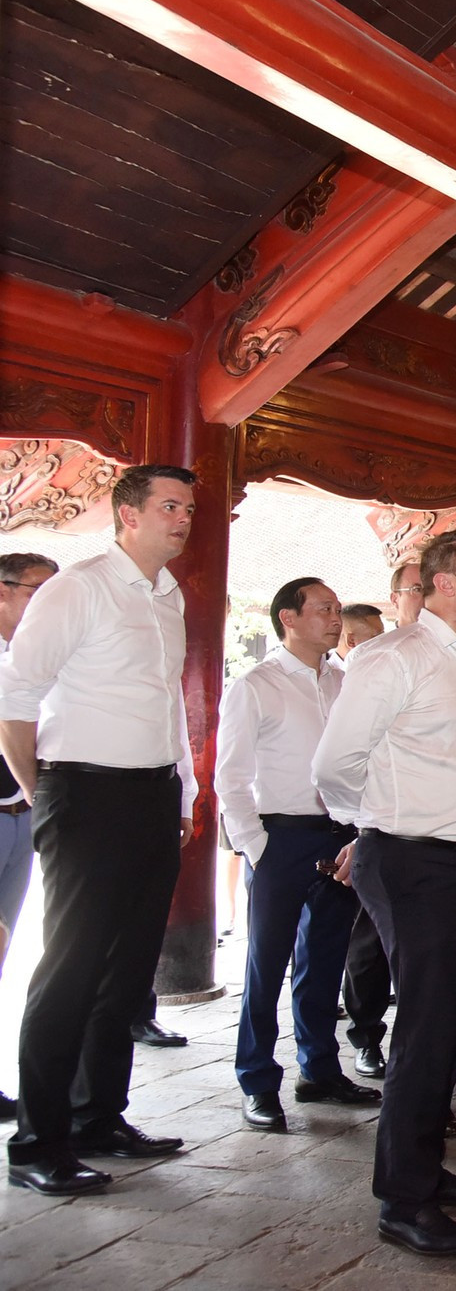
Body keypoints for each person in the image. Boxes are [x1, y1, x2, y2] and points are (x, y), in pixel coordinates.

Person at [312, 526, 456, 1257]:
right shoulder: (390, 657)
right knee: (427, 1029)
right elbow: (336, 762)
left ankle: (424, 1168)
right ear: (444, 583)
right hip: (413, 861)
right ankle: (403, 1200)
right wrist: (371, 827)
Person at [0, 466, 200, 1196]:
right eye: (169, 506)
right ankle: (36, 1142)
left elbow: (168, 706)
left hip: (151, 796)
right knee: (71, 970)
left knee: (126, 972)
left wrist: (181, 792)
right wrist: (44, 792)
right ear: (127, 514)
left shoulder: (168, 599)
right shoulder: (77, 587)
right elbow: (15, 699)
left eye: (188, 508)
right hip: (82, 792)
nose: (182, 518)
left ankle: (98, 1116)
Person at [219, 577, 380, 1134]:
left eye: (338, 609)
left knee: (324, 961)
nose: (335, 618)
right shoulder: (256, 685)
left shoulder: (346, 681)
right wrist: (258, 849)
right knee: (266, 966)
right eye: (324, 609)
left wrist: (358, 833)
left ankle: (319, 1070)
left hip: (338, 836)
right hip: (278, 837)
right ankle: (258, 1081)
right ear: (288, 617)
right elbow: (231, 777)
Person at [341, 565, 423, 1081]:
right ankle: (366, 1036)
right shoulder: (381, 660)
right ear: (397, 598)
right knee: (370, 945)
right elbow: (343, 759)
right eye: (416, 588)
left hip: (442, 835)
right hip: (382, 829)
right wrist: (360, 828)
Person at [0, 552, 58, 1124]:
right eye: (37, 590)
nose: (49, 601)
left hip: (21, 815)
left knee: (6, 943)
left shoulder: (43, 659)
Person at [334, 604, 385, 670]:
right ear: (351, 640)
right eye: (376, 638)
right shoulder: (325, 677)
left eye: (383, 636)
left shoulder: (382, 667)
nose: (383, 642)